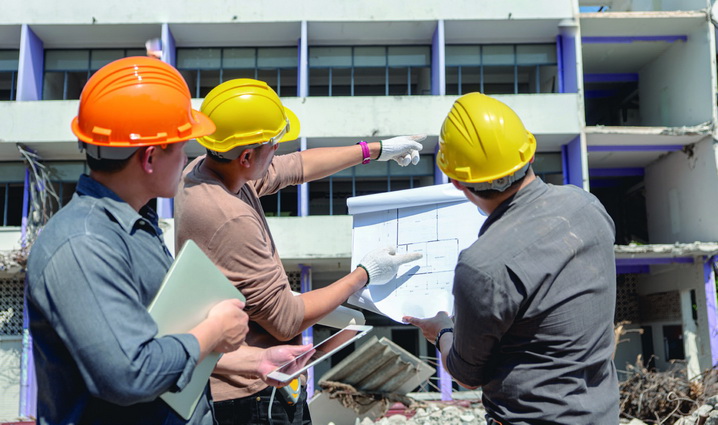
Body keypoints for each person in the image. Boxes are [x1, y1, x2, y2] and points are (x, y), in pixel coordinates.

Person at [25, 57, 310, 425]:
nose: (188, 156)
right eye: (180, 146)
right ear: (149, 158)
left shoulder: (133, 227)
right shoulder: (83, 245)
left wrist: (254, 361)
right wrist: (214, 330)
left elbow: (164, 344)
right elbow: (131, 373)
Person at [174, 78, 423, 425]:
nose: (277, 150)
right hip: (253, 395)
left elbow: (296, 167)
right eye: (273, 143)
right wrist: (363, 275)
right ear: (246, 156)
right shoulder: (228, 218)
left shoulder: (208, 171)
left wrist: (375, 149)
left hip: (263, 385)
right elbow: (286, 319)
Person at [403, 92, 620, 424]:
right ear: (528, 154)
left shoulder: (482, 266)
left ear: (457, 181)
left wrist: (444, 331)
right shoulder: (588, 207)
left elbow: (466, 374)